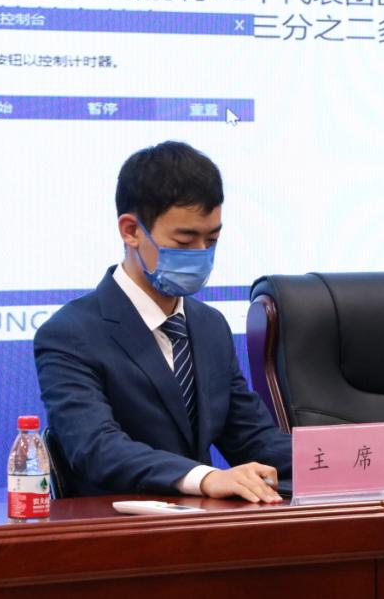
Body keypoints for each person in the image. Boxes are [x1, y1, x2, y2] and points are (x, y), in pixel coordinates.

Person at [34, 141, 292, 502]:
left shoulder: (210, 325)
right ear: (131, 230)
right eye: (184, 242)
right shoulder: (70, 333)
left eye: (212, 240)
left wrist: (351, 459)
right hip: (118, 525)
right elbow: (97, 448)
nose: (201, 254)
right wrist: (205, 478)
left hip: (204, 524)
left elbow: (253, 438)